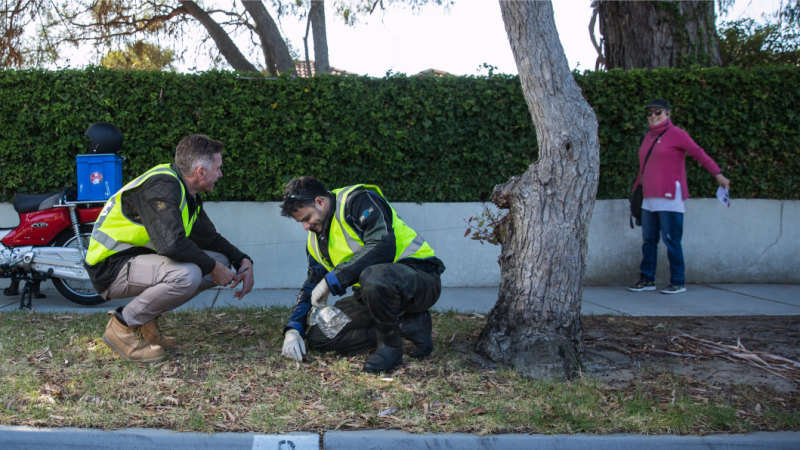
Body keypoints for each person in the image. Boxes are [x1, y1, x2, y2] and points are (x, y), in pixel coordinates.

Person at [84, 134, 255, 362]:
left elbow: (209, 238)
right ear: (201, 172)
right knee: (187, 275)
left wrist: (243, 260)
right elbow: (171, 244)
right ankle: (121, 326)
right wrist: (211, 267)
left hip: (138, 261)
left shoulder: (186, 192)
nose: (221, 174)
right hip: (110, 267)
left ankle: (146, 320)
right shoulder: (161, 187)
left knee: (220, 260)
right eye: (218, 168)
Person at [279, 176, 445, 373]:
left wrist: (332, 280)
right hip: (373, 294)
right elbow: (311, 285)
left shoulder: (357, 201)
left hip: (420, 279)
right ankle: (407, 325)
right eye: (301, 223)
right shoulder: (315, 241)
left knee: (373, 276)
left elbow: (383, 245)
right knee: (320, 336)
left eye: (306, 219)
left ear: (320, 202)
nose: (305, 227)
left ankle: (390, 348)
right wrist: (294, 328)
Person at [628, 99, 730, 295]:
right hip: (648, 198)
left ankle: (678, 281)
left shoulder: (677, 134)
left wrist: (718, 174)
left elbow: (698, 153)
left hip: (669, 197)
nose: (653, 116)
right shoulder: (648, 137)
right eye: (649, 113)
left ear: (668, 113)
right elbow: (643, 168)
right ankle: (647, 279)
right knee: (648, 240)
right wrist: (635, 192)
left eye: (658, 112)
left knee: (671, 240)